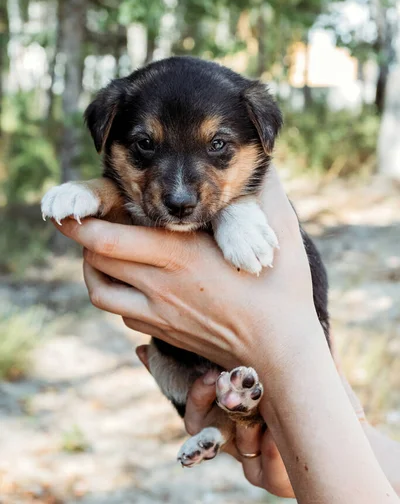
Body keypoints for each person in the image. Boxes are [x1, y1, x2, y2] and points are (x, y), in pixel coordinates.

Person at [54, 166, 400, 503]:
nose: (179, 190)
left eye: (217, 147)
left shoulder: (239, 194)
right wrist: (347, 436)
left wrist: (234, 212)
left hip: (284, 363)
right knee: (163, 365)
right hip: (201, 368)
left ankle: (227, 421)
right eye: (146, 146)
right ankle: (230, 419)